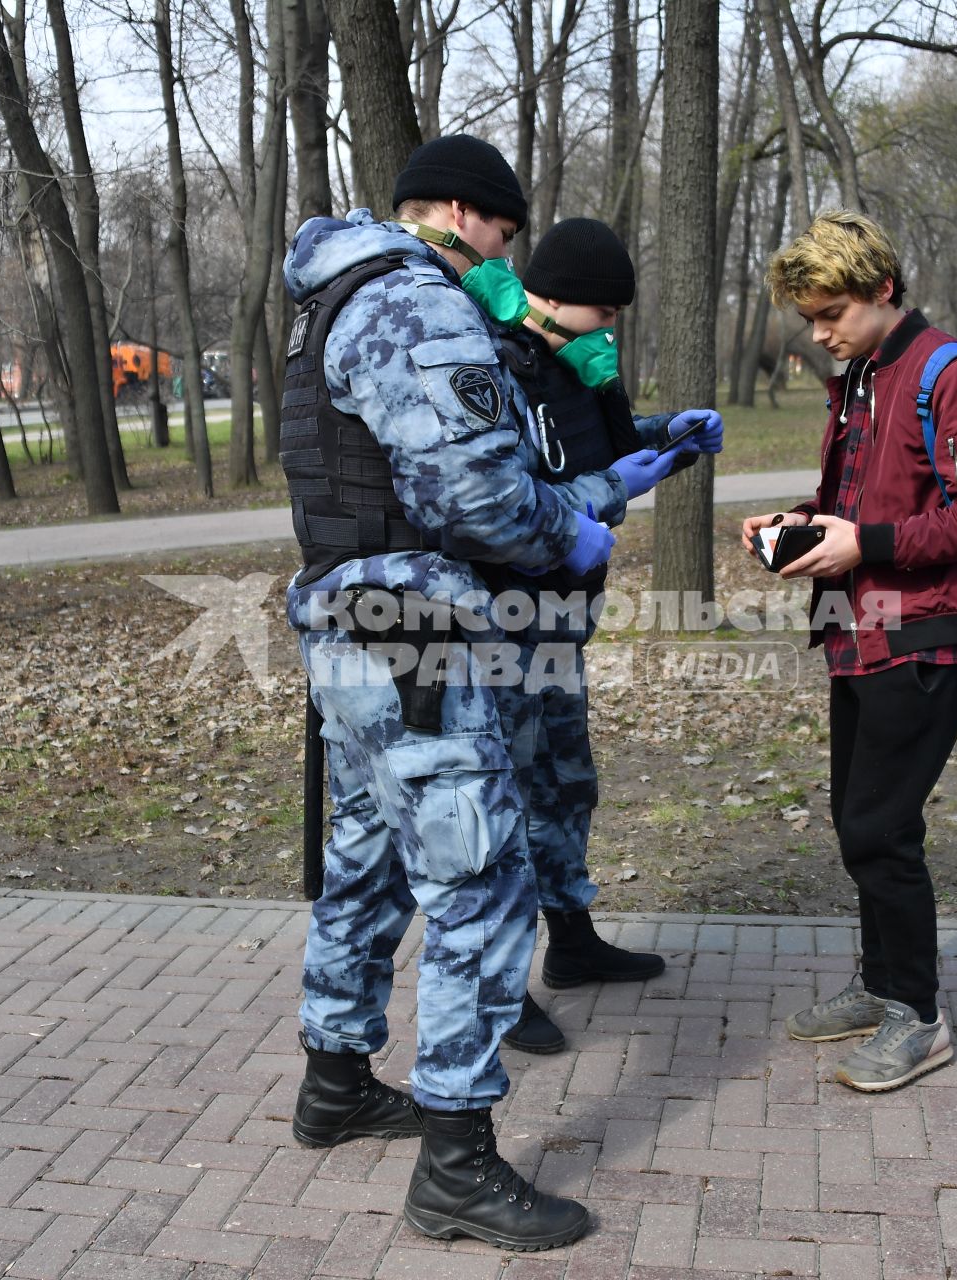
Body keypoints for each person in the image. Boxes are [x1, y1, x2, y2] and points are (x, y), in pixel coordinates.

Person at [279, 135, 606, 1250]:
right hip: (415, 636)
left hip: (352, 633)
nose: (505, 262)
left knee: (365, 867)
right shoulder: (416, 299)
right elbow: (475, 493)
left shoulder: (334, 295)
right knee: (481, 882)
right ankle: (458, 1165)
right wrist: (572, 529)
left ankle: (334, 1080)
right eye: (506, 239)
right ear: (468, 214)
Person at [742, 210, 957, 1092]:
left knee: (880, 827)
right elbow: (855, 499)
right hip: (856, 633)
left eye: (830, 314)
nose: (819, 333)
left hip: (928, 637)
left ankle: (919, 1017)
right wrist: (797, 526)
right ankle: (879, 983)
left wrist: (868, 546)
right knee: (858, 818)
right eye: (809, 318)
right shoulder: (859, 378)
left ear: (883, 290)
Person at [489, 217, 723, 1055]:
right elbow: (502, 497)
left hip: (563, 620)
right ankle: (495, 985)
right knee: (508, 801)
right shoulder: (496, 367)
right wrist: (606, 488)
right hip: (502, 622)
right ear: (551, 297)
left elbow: (612, 453)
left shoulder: (581, 367)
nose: (614, 325)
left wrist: (670, 439)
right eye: (603, 308)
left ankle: (572, 942)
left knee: (564, 782)